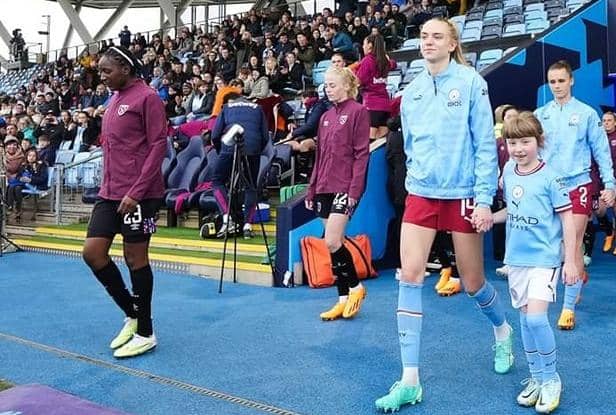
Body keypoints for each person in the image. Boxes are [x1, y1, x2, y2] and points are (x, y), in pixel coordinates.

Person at [375, 18, 514, 412]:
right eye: (423, 36)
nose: (429, 41)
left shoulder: (472, 83)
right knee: (410, 275)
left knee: (473, 283)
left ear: (453, 43)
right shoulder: (413, 91)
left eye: (437, 36)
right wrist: (414, 183)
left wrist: (485, 198)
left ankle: (502, 330)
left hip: (464, 194)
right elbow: (413, 147)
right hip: (421, 194)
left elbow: (485, 145)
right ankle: (409, 379)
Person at [81, 46, 167, 358]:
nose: (102, 77)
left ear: (125, 69)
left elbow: (159, 145)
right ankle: (132, 312)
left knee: (135, 259)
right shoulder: (114, 99)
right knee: (92, 253)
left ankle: (146, 331)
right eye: (100, 71)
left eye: (107, 71)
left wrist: (137, 191)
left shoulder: (148, 97)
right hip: (110, 191)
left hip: (139, 193)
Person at [493, 112, 578, 413]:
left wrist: (570, 259)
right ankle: (537, 377)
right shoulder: (508, 170)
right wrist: (492, 217)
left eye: (525, 142)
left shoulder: (551, 177)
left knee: (536, 319)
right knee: (525, 321)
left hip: (544, 258)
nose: (518, 149)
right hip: (516, 259)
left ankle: (552, 378)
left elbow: (567, 217)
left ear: (538, 142)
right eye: (512, 142)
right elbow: (512, 211)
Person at [534, 60, 615, 330]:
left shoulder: (587, 114)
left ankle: (567, 308)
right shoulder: (540, 114)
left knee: (573, 240)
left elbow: (602, 152)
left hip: (578, 184)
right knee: (558, 244)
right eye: (552, 81)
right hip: (549, 187)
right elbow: (528, 149)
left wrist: (609, 184)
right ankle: (578, 274)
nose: (556, 86)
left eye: (561, 80)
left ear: (572, 81)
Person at [305, 66, 370, 321]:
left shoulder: (359, 112)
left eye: (332, 85)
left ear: (346, 85)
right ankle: (342, 298)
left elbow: (361, 154)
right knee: (334, 245)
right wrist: (311, 188)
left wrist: (355, 189)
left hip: (344, 186)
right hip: (323, 185)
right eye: (326, 85)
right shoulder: (325, 117)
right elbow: (319, 155)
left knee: (332, 240)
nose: (327, 89)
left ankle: (356, 287)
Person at [210, 92, 270, 238]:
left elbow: (215, 135)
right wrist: (256, 151)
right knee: (251, 186)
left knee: (217, 181)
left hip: (230, 147)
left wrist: (221, 151)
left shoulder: (227, 107)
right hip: (253, 147)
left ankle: (227, 217)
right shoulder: (258, 108)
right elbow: (265, 136)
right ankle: (247, 226)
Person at [355, 34, 397, 140]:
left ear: (370, 45)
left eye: (364, 44)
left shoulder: (367, 60)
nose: (362, 47)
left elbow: (358, 81)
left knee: (371, 140)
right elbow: (393, 64)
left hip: (372, 105)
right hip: (386, 105)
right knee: (382, 141)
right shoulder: (384, 60)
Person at [596, 111, 616, 254]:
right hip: (599, 179)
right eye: (604, 120)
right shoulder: (597, 138)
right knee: (598, 210)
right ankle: (609, 232)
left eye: (609, 120)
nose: (606, 123)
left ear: (615, 122)